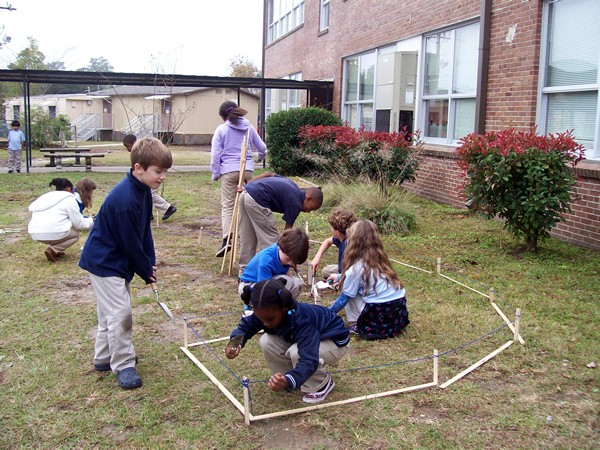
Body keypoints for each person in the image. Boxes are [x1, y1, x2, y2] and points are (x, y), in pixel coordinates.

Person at [79, 137, 173, 390]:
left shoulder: (143, 192)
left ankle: (103, 357)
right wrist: (144, 270)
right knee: (121, 313)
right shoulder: (126, 200)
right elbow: (131, 243)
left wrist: (150, 263)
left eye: (165, 171)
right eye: (158, 171)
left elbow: (144, 232)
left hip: (115, 261)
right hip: (104, 262)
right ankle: (123, 364)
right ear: (139, 168)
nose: (162, 176)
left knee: (108, 311)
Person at [225, 278, 350, 404]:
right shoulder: (266, 312)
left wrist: (291, 379)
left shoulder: (302, 320)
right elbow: (246, 327)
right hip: (309, 339)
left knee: (297, 352)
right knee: (266, 341)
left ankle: (320, 384)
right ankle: (288, 378)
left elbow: (309, 359)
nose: (266, 324)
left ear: (283, 308)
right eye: (261, 319)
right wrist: (235, 343)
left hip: (334, 341)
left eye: (270, 319)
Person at [328, 220, 410, 340]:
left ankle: (358, 324)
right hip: (397, 315)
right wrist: (340, 276)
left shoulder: (355, 269)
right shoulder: (380, 260)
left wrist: (325, 313)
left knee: (349, 291)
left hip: (378, 321)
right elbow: (367, 276)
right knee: (350, 284)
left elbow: (343, 299)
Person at [211, 100, 267, 257]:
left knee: (228, 206)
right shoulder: (249, 127)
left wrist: (216, 173)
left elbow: (215, 154)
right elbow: (262, 148)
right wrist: (258, 158)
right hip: (247, 170)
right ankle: (247, 239)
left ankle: (227, 239)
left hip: (229, 171)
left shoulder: (221, 130)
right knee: (246, 205)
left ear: (224, 116)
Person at [237, 174, 323, 275]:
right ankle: (272, 273)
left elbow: (269, 174)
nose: (309, 212)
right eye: (311, 208)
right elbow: (286, 235)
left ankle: (244, 272)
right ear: (308, 198)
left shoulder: (293, 187)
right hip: (258, 199)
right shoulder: (295, 203)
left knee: (247, 236)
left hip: (246, 194)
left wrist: (246, 185)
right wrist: (289, 257)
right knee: (271, 241)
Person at [28, 178, 94, 262]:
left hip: (35, 232)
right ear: (69, 188)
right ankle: (54, 249)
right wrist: (91, 220)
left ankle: (57, 250)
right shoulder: (69, 199)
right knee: (75, 235)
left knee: (61, 229)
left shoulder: (46, 197)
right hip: (54, 232)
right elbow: (80, 224)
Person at [238, 227, 309, 300]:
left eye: (294, 261)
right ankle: (261, 307)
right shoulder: (267, 260)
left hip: (267, 282)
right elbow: (263, 287)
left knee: (297, 284)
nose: (291, 263)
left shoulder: (284, 254)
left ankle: (279, 307)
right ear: (279, 248)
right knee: (287, 282)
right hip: (250, 286)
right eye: (288, 259)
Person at [122, 134, 177, 221]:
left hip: (146, 181)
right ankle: (150, 213)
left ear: (132, 143)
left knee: (151, 194)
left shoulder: (144, 151)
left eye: (127, 146)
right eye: (158, 172)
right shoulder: (125, 197)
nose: (127, 149)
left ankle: (168, 208)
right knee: (147, 194)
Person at [310, 209, 358, 284]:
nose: (330, 228)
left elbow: (348, 275)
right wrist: (317, 257)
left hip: (351, 273)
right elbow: (327, 242)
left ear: (337, 232)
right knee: (326, 271)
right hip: (345, 269)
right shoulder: (342, 237)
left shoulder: (347, 249)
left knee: (339, 281)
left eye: (331, 227)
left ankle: (336, 285)